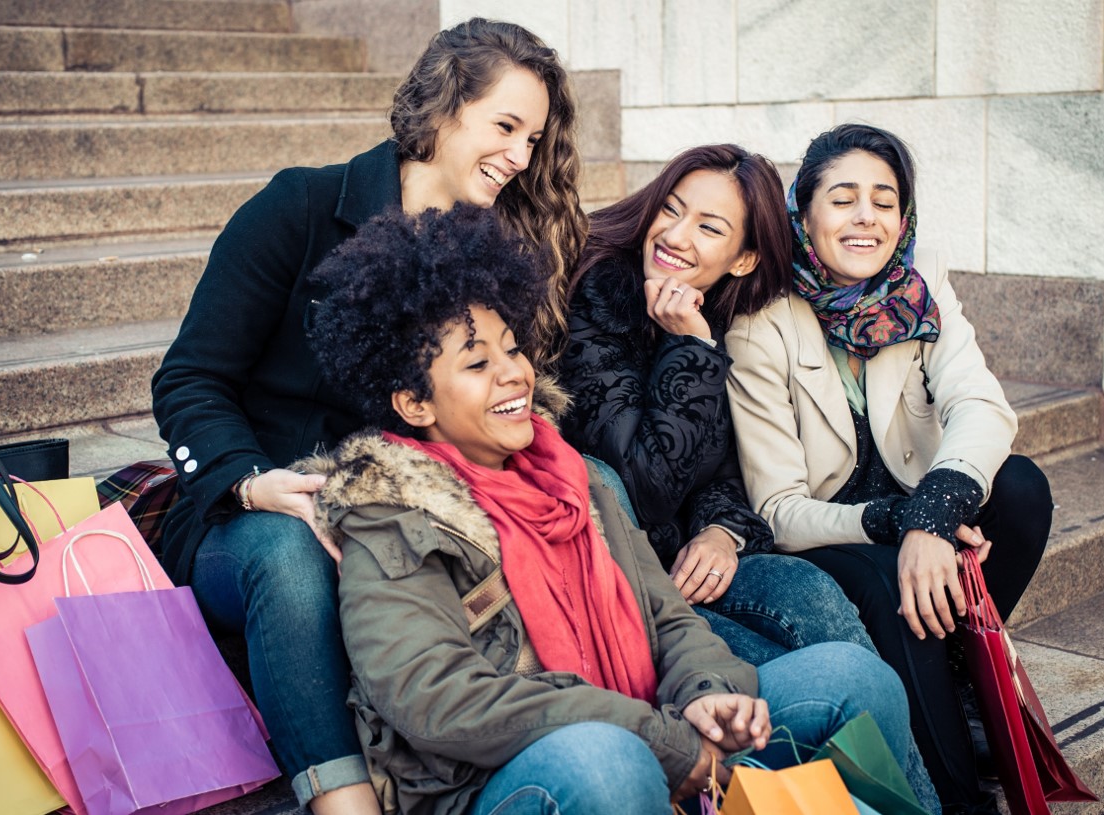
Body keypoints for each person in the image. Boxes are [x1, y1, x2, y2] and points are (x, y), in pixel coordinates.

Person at [302, 202, 933, 815]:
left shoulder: (575, 477)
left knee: (855, 678)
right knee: (607, 762)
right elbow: (439, 702)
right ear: (415, 404)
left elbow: (669, 618)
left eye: (512, 349)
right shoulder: (390, 515)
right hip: (496, 781)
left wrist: (706, 696)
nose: (513, 375)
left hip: (641, 719)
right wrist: (658, 737)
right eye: (477, 363)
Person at [150, 19, 587, 814]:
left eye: (533, 138)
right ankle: (341, 800)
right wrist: (251, 483)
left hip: (407, 510)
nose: (522, 157)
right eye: (506, 127)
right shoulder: (302, 206)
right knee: (291, 553)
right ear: (444, 107)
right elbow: (189, 378)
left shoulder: (490, 248)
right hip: (254, 513)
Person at [726, 123, 1051, 814]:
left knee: (1021, 488)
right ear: (803, 213)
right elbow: (780, 507)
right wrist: (897, 524)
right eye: (843, 198)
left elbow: (982, 405)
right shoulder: (762, 317)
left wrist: (935, 510)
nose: (867, 216)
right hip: (834, 527)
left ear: (903, 218)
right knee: (893, 583)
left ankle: (958, 678)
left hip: (918, 504)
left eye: (885, 198)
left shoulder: (920, 281)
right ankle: (957, 799)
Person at [559, 144, 877, 667]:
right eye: (671, 209)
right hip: (623, 575)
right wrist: (690, 349)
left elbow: (730, 464)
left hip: (695, 559)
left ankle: (896, 752)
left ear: (744, 258)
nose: (675, 236)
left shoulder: (726, 321)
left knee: (809, 591)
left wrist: (722, 532)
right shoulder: (597, 300)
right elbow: (642, 487)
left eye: (709, 228)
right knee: (787, 668)